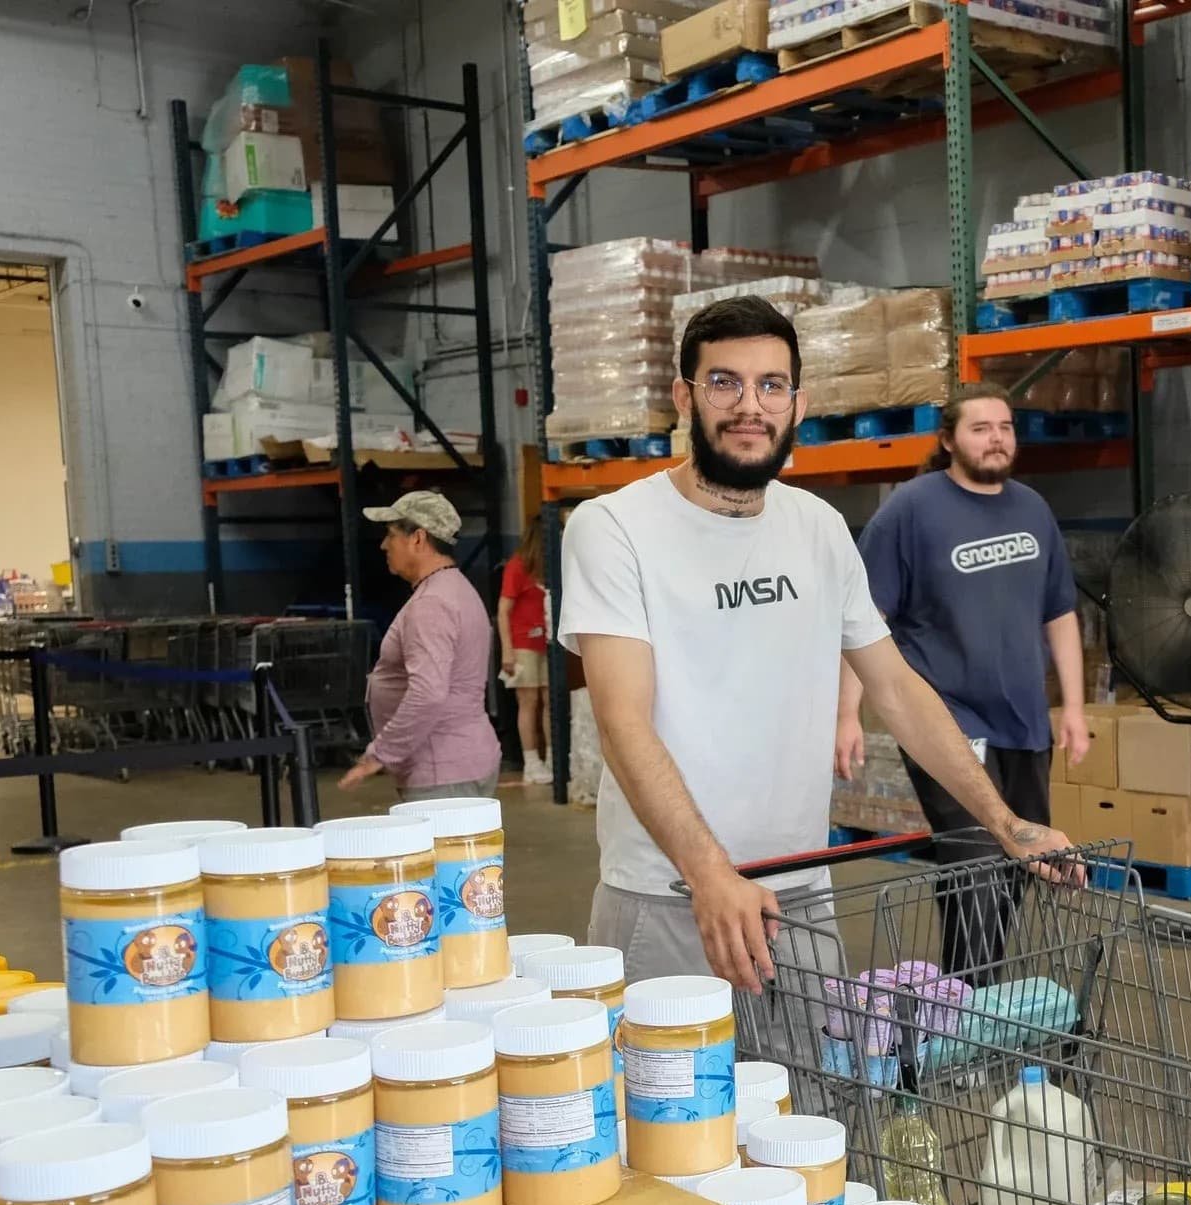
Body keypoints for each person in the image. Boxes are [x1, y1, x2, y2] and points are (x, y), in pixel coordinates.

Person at [557, 296, 1076, 993]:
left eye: (771, 385)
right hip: (672, 895)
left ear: (797, 404)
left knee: (811, 1100)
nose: (751, 405)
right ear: (684, 395)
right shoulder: (613, 526)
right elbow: (621, 718)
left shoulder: (820, 528)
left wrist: (1007, 823)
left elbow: (895, 687)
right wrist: (710, 872)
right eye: (724, 382)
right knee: (670, 1104)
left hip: (800, 894)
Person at [837, 383, 1090, 971]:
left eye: (1004, 426)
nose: (996, 437)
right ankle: (968, 1013)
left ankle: (968, 999)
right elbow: (865, 620)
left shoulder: (1032, 508)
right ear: (949, 439)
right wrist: (847, 713)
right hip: (946, 720)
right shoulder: (912, 509)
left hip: (1024, 722)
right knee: (976, 867)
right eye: (980, 427)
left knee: (1019, 864)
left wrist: (1073, 707)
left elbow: (1060, 613)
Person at [342, 491, 500, 801]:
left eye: (391, 535)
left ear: (418, 539)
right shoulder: (454, 589)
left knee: (442, 851)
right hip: (459, 761)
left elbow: (428, 694)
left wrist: (379, 754)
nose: (384, 545)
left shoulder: (431, 605)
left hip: (442, 771)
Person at [497, 515, 552, 786]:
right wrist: (507, 651)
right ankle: (532, 762)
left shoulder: (552, 566)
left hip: (549, 642)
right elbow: (503, 610)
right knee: (529, 702)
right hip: (523, 644)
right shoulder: (517, 566)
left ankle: (553, 758)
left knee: (550, 701)